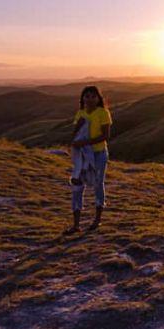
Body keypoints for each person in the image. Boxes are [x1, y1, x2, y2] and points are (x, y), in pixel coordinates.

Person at [65, 85, 112, 234]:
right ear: (82, 98)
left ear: (98, 98)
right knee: (77, 184)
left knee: (98, 183)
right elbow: (76, 132)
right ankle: (76, 224)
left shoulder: (103, 113)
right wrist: (74, 145)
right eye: (87, 96)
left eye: (93, 96)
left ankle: (97, 220)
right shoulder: (80, 113)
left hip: (98, 153)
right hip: (82, 154)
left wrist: (84, 143)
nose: (90, 99)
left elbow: (105, 136)